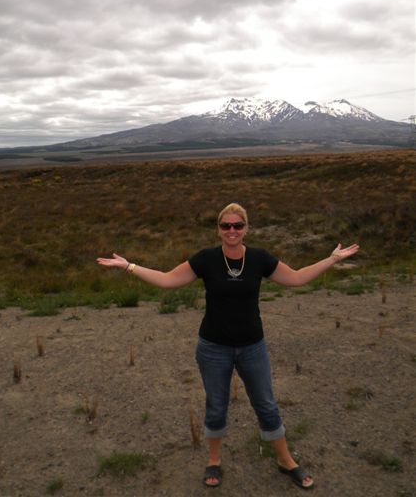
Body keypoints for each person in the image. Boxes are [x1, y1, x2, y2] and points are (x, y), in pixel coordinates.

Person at [97, 202, 359, 490]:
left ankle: (286, 460)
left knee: (267, 405)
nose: (232, 231)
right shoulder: (206, 259)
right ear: (219, 229)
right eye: (226, 226)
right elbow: (168, 280)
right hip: (213, 348)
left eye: (237, 225)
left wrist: (331, 259)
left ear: (246, 228)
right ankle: (214, 460)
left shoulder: (259, 258)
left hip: (252, 347)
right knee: (217, 406)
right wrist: (129, 266)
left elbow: (296, 278)